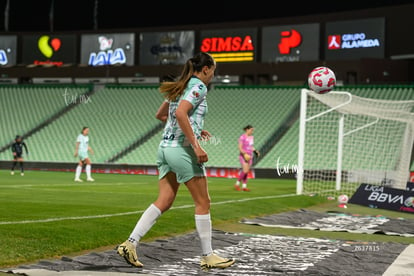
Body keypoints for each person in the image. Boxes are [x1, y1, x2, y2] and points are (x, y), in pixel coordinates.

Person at [117, 52, 235, 270]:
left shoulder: (180, 85)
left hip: (164, 148)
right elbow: (181, 114)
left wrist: (196, 128)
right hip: (182, 150)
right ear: (206, 69)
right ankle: (208, 256)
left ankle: (130, 244)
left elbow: (162, 115)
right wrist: (196, 145)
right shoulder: (199, 87)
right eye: (213, 71)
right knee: (203, 202)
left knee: (164, 200)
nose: (213, 75)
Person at [235, 125, 260, 191]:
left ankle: (244, 186)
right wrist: (244, 154)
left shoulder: (252, 137)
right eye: (251, 130)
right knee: (245, 170)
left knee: (246, 172)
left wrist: (255, 151)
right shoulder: (242, 137)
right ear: (247, 130)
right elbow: (240, 147)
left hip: (250, 156)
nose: (252, 131)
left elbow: (251, 146)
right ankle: (237, 184)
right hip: (244, 156)